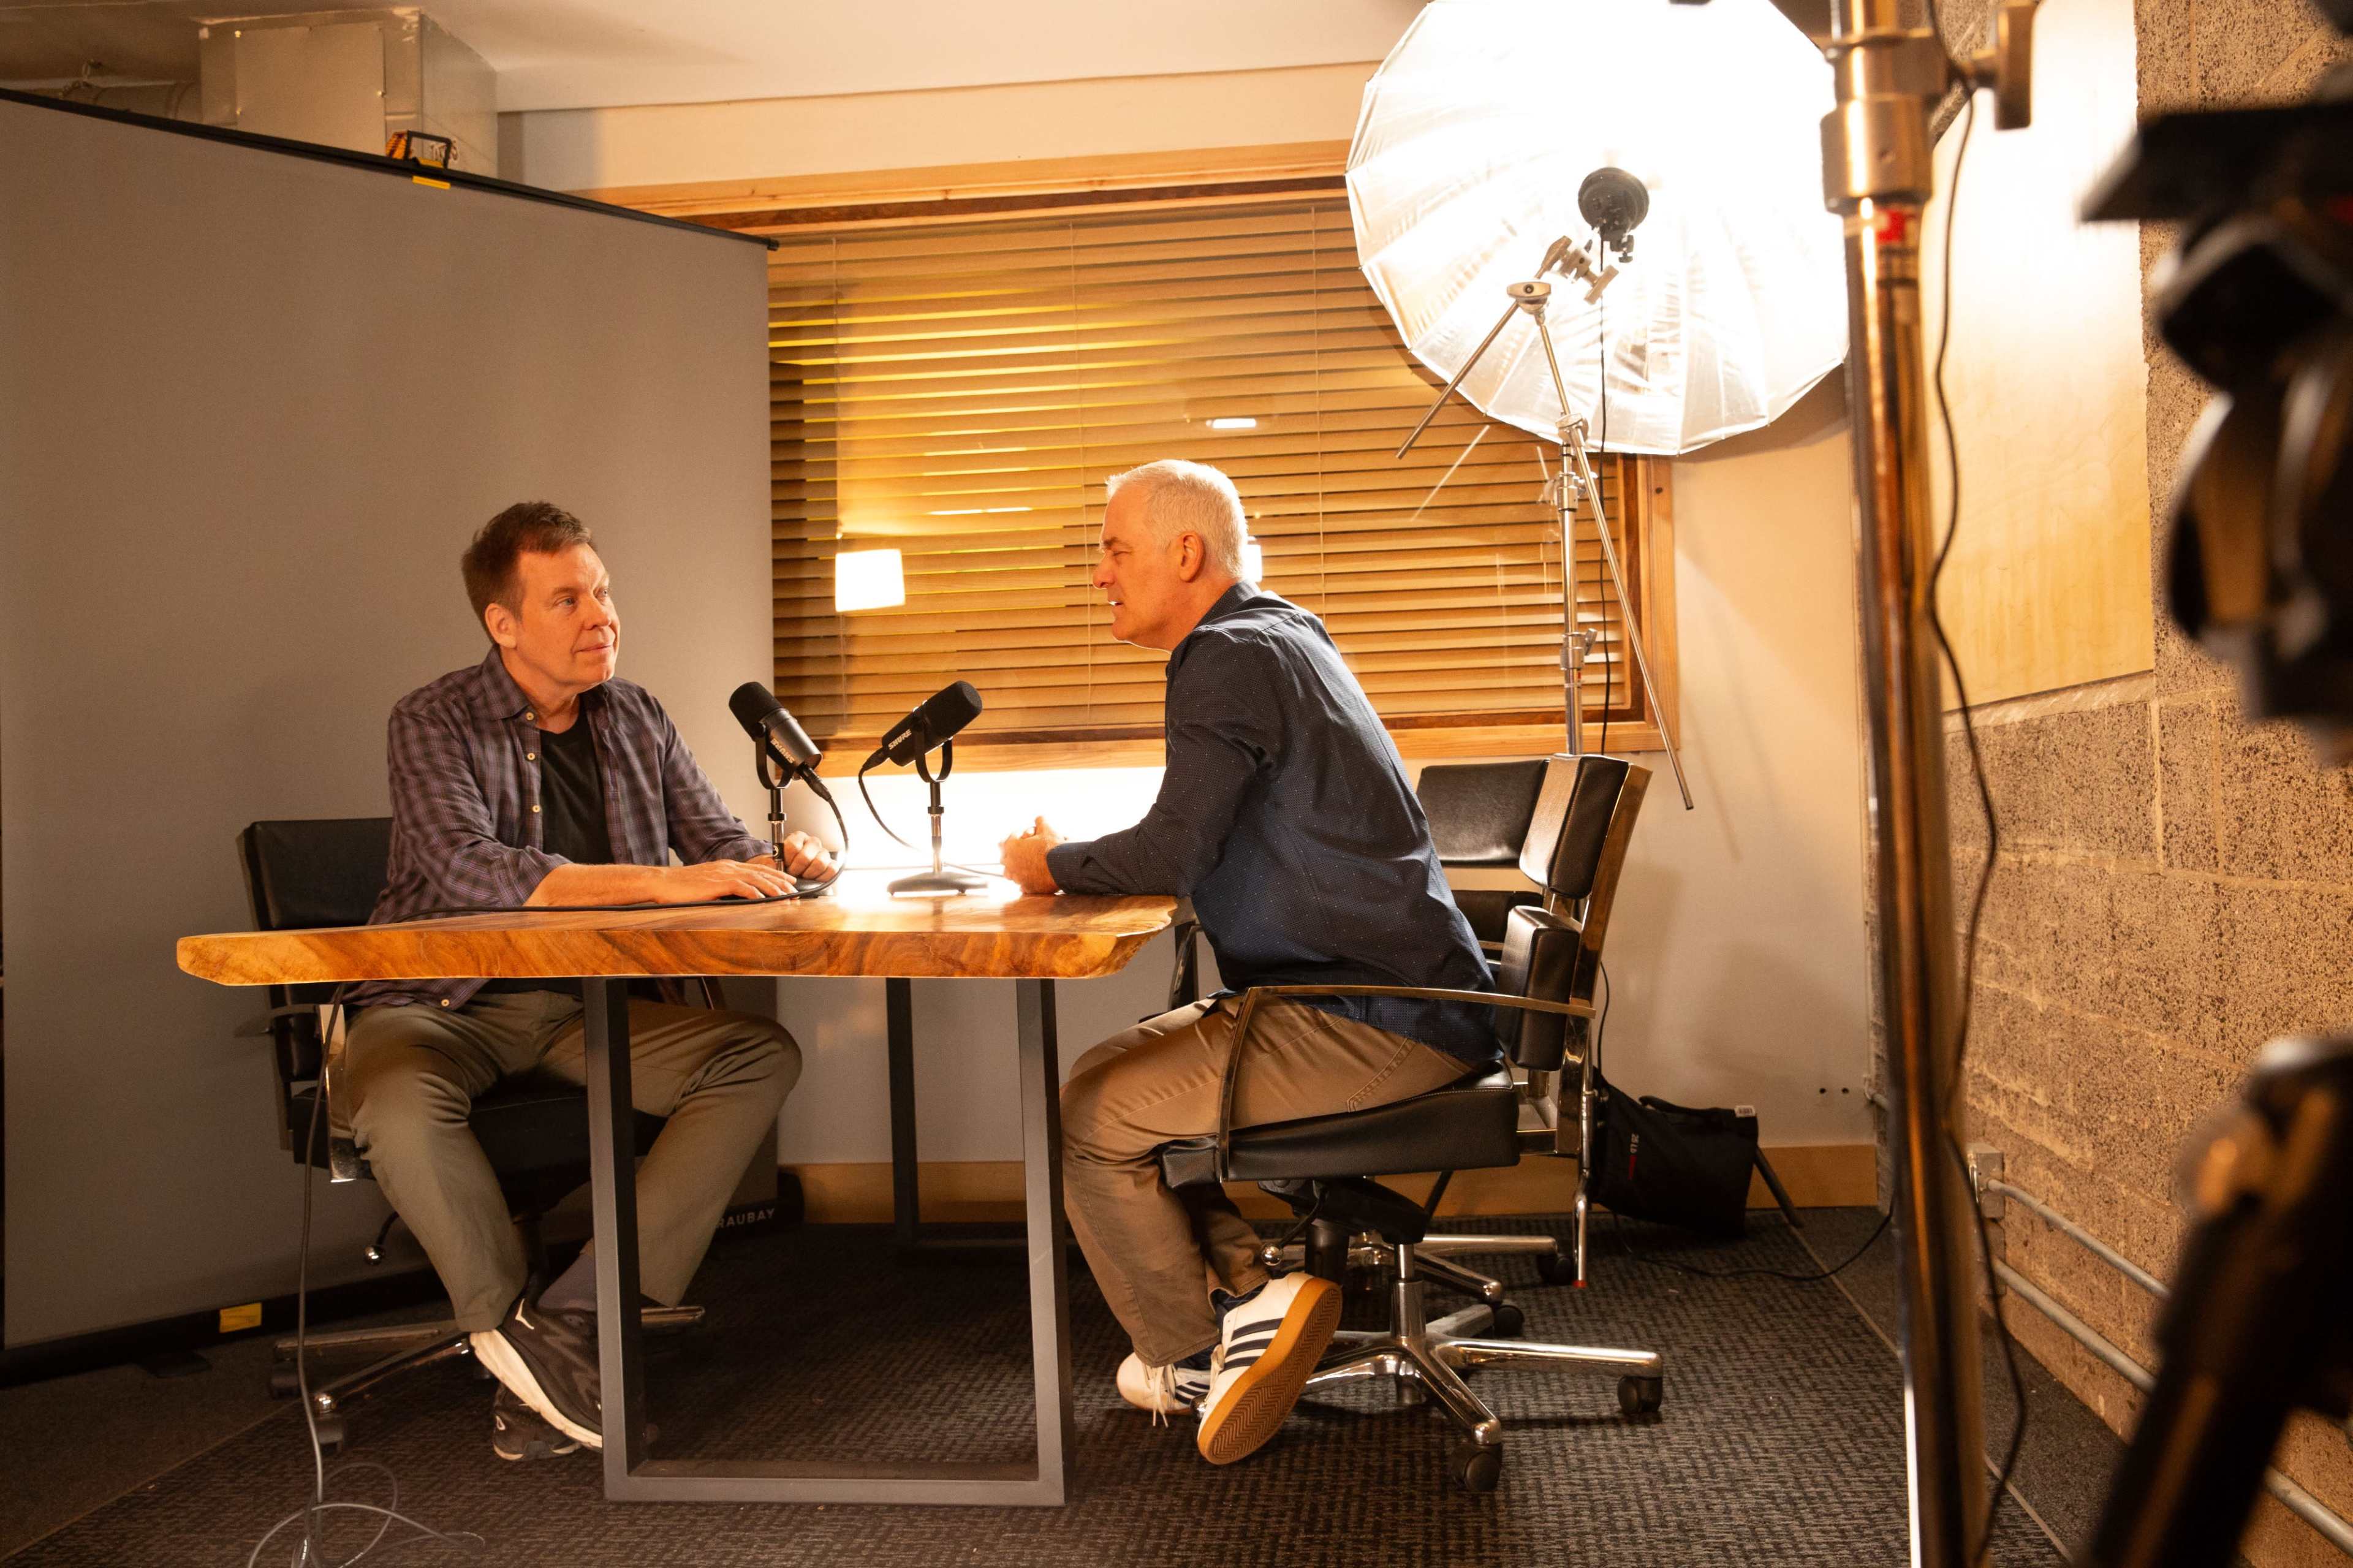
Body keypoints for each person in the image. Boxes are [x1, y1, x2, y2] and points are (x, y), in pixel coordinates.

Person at [998, 460, 1498, 1466]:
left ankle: (1187, 1351)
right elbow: (1200, 831)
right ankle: (1246, 1303)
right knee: (1100, 1083)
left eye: (1114, 550)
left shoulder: (1226, 657)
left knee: (1098, 1119)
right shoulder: (1280, 634)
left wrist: (1042, 863)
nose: (1100, 574)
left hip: (1371, 1012)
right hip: (1376, 994)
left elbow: (1175, 850)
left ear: (1187, 554)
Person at [338, 501, 835, 1461]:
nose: (601, 615)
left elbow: (720, 847)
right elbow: (473, 872)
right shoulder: (432, 719)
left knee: (755, 1056)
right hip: (442, 1002)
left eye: (602, 592)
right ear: (504, 623)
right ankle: (518, 1344)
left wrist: (788, 859)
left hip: (586, 1010)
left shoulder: (636, 716)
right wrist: (671, 881)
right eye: (567, 599)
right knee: (394, 1105)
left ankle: (576, 1322)